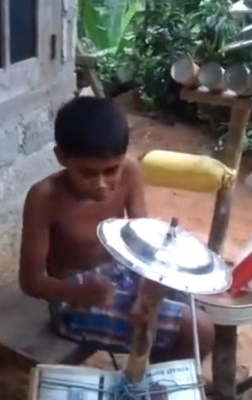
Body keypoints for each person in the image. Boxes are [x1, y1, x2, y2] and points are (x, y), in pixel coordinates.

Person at [19, 96, 215, 363]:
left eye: (111, 170)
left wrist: (147, 289)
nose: (101, 183)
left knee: (200, 305)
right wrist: (73, 292)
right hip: (73, 301)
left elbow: (143, 243)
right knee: (198, 330)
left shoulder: (130, 171)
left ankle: (153, 385)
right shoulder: (45, 198)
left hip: (125, 273)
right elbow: (31, 281)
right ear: (61, 157)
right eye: (88, 173)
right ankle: (153, 388)